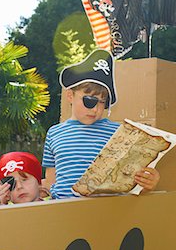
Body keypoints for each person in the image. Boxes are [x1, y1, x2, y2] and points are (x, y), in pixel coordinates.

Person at [42, 49, 160, 199]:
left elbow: (129, 184)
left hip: (106, 212)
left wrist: (148, 183)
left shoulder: (120, 133)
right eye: (89, 101)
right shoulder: (54, 133)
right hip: (64, 213)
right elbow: (51, 183)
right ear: (70, 96)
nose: (96, 109)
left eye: (103, 102)